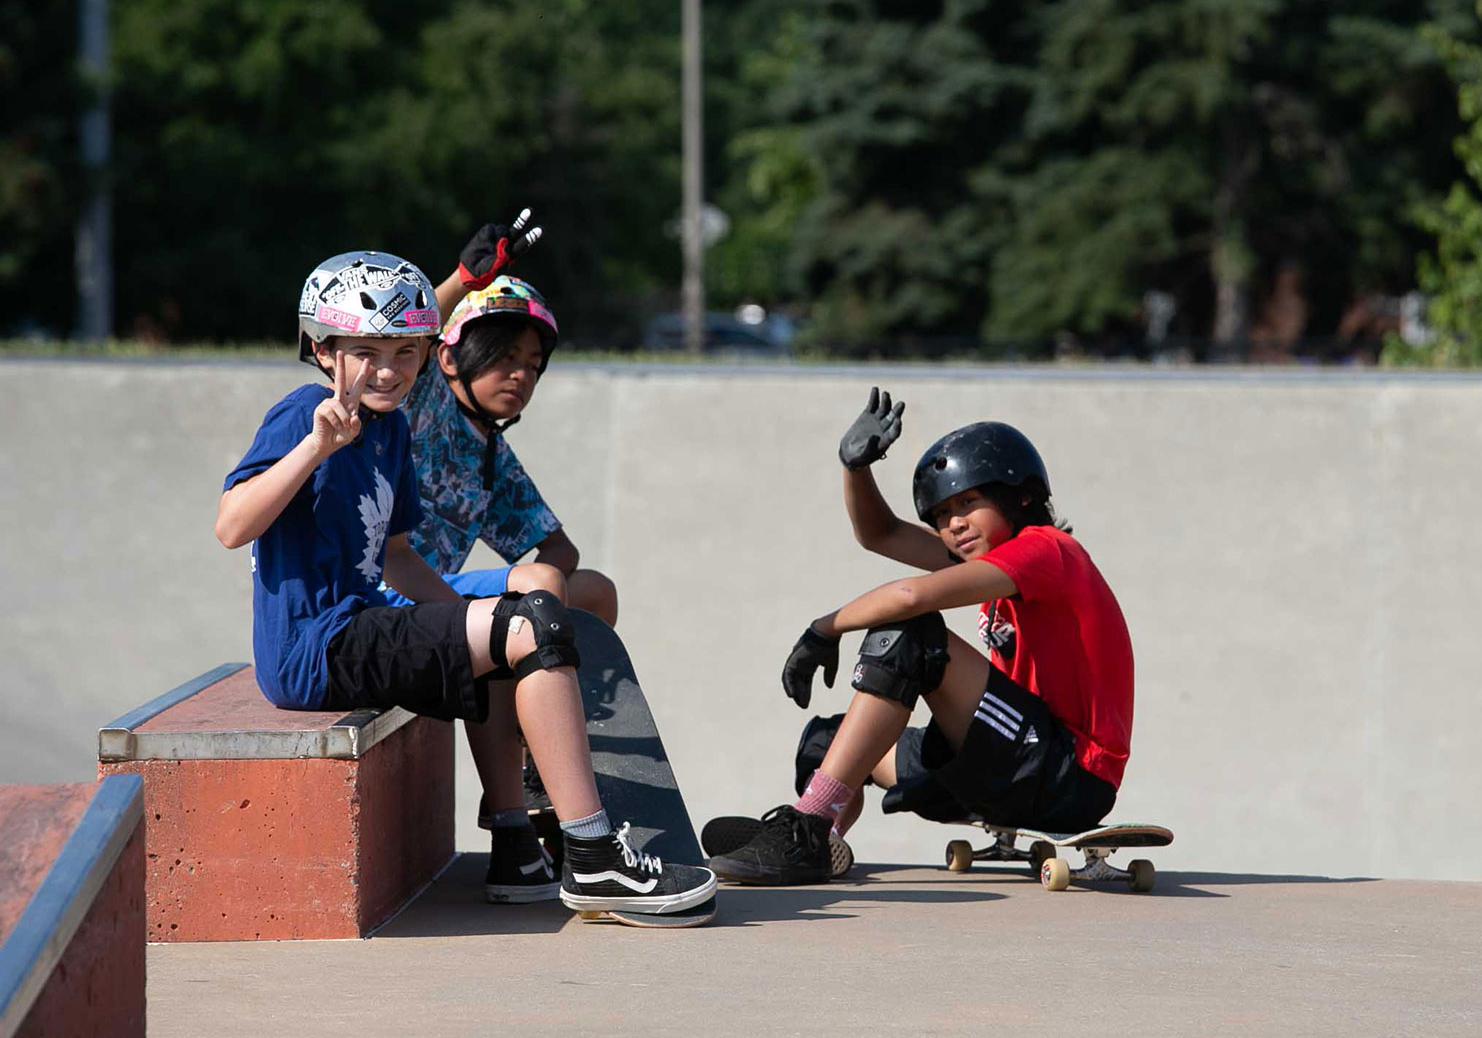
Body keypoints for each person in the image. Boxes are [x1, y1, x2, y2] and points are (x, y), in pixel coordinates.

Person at [214, 249, 715, 919]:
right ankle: (594, 860)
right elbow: (231, 526)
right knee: (528, 625)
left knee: (524, 617)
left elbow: (397, 557)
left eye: (404, 352)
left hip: (367, 627)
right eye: (366, 351)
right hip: (316, 649)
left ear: (426, 353)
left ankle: (530, 828)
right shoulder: (303, 410)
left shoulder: (389, 430)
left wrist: (473, 622)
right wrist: (314, 448)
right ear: (323, 349)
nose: (387, 369)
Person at [702, 389, 1134, 886]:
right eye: (942, 515)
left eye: (969, 503)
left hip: (1068, 773)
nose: (954, 525)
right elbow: (880, 534)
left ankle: (807, 828)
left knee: (912, 633)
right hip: (1002, 760)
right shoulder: (988, 564)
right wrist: (855, 469)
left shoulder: (1048, 551)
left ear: (1022, 496)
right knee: (827, 743)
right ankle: (821, 837)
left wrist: (824, 628)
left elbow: (910, 597)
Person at [381, 270, 621, 858]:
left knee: (590, 589)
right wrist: (463, 279)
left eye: (534, 365)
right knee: (527, 602)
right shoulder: (421, 399)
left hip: (441, 602)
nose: (521, 375)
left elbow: (560, 550)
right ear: (450, 357)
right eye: (504, 356)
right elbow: (405, 336)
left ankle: (540, 737)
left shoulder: (492, 455)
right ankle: (522, 781)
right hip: (388, 596)